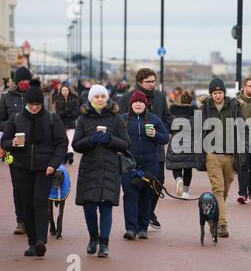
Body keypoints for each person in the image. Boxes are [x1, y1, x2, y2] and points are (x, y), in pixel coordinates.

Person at [1, 79, 68, 257]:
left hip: (44, 168)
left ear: (42, 104)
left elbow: (62, 143)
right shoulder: (16, 119)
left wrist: (53, 165)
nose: (34, 108)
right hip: (21, 167)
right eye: (31, 104)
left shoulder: (52, 119)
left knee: (39, 202)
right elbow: (4, 142)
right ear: (26, 103)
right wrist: (12, 143)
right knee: (27, 204)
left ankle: (40, 240)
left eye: (37, 104)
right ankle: (32, 242)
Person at [72, 84, 130, 258]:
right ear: (91, 99)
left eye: (102, 97)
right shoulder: (82, 119)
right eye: (96, 97)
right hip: (89, 167)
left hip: (110, 167)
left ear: (107, 99)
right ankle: (93, 238)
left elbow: (126, 144)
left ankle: (104, 244)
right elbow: (76, 145)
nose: (99, 100)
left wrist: (109, 139)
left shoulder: (116, 118)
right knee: (89, 206)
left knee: (106, 206)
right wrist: (91, 140)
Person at [119, 68, 172, 230]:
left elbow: (167, 117)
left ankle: (149, 213)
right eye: (148, 81)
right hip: (133, 151)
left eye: (153, 81)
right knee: (133, 188)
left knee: (158, 182)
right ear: (140, 82)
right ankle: (136, 222)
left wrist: (161, 130)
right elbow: (121, 122)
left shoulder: (160, 97)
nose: (151, 84)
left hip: (155, 150)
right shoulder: (127, 97)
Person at [197, 77, 247, 238]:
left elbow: (243, 129)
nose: (217, 96)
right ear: (210, 94)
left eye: (220, 92)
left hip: (231, 155)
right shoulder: (205, 108)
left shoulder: (234, 106)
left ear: (224, 93)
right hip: (212, 155)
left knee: (224, 191)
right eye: (214, 93)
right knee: (218, 190)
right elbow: (199, 131)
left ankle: (213, 216)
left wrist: (244, 148)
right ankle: (222, 225)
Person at [0, 66, 33, 234]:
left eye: (27, 80)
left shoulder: (35, 96)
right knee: (17, 186)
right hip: (12, 150)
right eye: (22, 80)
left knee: (32, 186)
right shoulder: (6, 97)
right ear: (16, 81)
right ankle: (20, 221)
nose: (25, 83)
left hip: (32, 149)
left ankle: (31, 219)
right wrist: (13, 124)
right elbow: (0, 121)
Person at [166, 90, 196, 199]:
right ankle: (186, 192)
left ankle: (179, 180)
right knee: (188, 168)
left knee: (176, 166)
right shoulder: (195, 113)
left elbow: (168, 128)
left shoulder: (172, 112)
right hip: (190, 144)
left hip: (176, 143)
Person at [54, 84, 80, 164]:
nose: (65, 92)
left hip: (71, 123)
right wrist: (67, 112)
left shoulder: (74, 100)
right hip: (61, 124)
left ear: (69, 91)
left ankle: (70, 155)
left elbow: (76, 112)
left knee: (70, 140)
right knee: (64, 141)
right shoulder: (58, 100)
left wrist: (68, 113)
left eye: (66, 90)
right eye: (63, 90)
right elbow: (58, 113)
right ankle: (65, 157)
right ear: (61, 91)